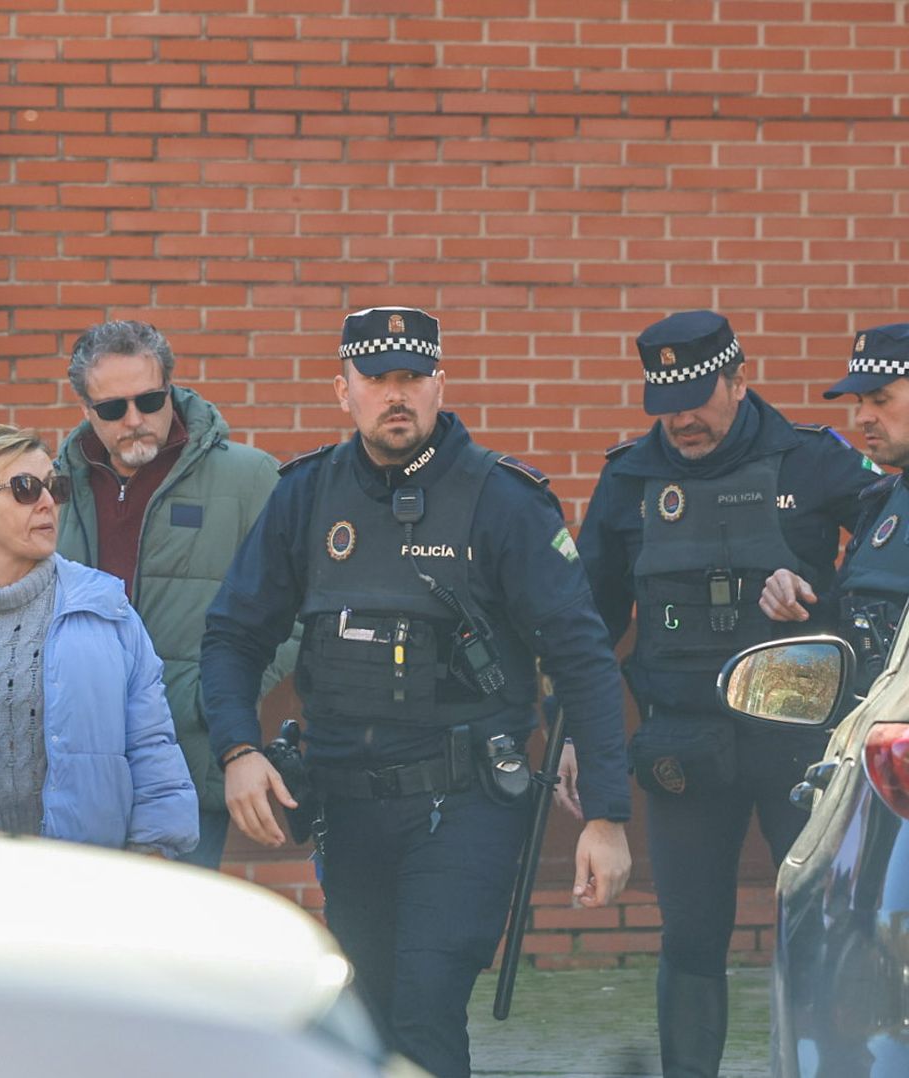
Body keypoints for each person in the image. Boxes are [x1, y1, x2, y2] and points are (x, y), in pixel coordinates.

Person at [202, 306, 632, 1078]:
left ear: (441, 384)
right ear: (344, 391)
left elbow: (583, 657)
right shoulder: (307, 495)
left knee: (425, 1007)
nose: (395, 394)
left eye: (412, 377)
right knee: (367, 1016)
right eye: (376, 379)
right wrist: (238, 749)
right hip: (348, 804)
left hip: (466, 803)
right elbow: (234, 634)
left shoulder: (503, 498)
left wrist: (606, 815)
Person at [577, 310, 877, 1078]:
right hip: (683, 746)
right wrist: (573, 730)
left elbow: (888, 562)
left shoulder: (813, 461)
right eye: (665, 404)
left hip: (801, 744)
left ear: (739, 381)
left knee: (823, 933)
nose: (681, 419)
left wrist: (822, 605)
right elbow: (586, 625)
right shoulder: (629, 478)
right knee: (690, 940)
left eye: (696, 399)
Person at [54, 320, 296, 868]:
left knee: (170, 919)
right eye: (113, 408)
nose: (134, 419)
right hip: (76, 765)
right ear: (86, 409)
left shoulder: (249, 478)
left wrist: (214, 698)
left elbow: (300, 610)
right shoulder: (55, 488)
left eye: (149, 400)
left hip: (188, 757)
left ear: (171, 389)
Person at [0, 424, 198, 856]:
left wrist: (153, 852)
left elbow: (151, 743)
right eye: (25, 488)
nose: (47, 502)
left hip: (81, 874)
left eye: (55, 487)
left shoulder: (105, 607)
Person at [760, 323, 909, 693]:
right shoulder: (881, 504)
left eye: (880, 400)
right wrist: (796, 603)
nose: (862, 417)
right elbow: (844, 631)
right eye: (860, 402)